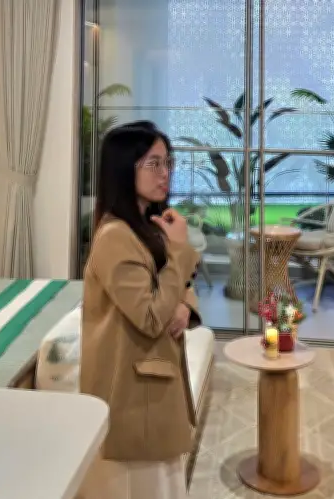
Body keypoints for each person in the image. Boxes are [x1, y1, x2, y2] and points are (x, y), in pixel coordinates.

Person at [78, 121, 200, 499]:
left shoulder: (149, 224)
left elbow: (182, 283)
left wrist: (184, 304)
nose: (166, 173)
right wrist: (178, 251)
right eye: (154, 164)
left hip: (153, 377)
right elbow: (150, 317)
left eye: (168, 162)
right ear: (123, 168)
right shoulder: (115, 236)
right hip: (133, 390)